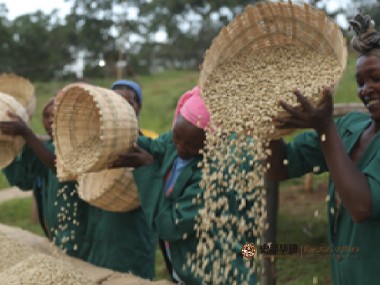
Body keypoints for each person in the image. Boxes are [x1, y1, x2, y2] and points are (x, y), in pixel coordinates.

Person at [265, 14, 380, 285]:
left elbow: (362, 206)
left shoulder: (333, 130)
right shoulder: (350, 127)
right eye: (361, 82)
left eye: (376, 78)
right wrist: (267, 126)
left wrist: (325, 127)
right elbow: (280, 167)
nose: (367, 89)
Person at [110, 87, 257, 284]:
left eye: (191, 145)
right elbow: (154, 146)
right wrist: (118, 135)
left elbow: (170, 226)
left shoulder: (216, 175)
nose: (180, 148)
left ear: (213, 142)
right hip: (184, 268)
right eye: (177, 137)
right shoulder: (175, 141)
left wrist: (146, 168)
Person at [1, 97, 91, 259]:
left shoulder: (78, 146)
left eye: (55, 115)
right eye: (46, 116)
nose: (50, 121)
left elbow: (56, 165)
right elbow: (23, 180)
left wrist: (26, 133)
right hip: (56, 232)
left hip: (81, 233)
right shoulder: (46, 146)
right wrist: (7, 147)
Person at [84, 79, 157, 279]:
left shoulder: (148, 146)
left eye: (129, 102)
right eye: (116, 101)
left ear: (138, 107)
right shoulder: (99, 146)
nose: (123, 107)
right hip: (100, 235)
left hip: (133, 238)